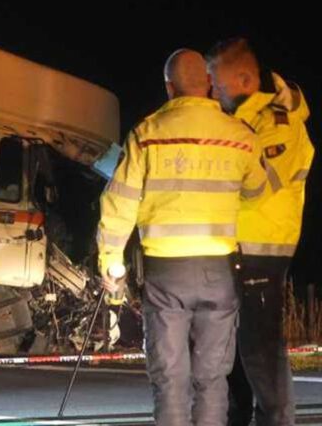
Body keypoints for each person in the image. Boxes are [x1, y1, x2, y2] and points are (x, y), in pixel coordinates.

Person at [96, 49, 267, 425]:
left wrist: (112, 261)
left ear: (168, 87)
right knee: (212, 378)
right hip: (219, 269)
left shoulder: (147, 134)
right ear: (208, 83)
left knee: (171, 379)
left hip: (165, 273)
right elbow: (259, 193)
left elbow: (119, 202)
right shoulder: (240, 137)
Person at [207, 37, 314, 426]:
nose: (214, 92)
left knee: (261, 351)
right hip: (235, 248)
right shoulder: (241, 122)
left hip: (262, 251)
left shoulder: (278, 124)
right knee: (234, 352)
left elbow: (257, 185)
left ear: (245, 79)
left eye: (218, 84)